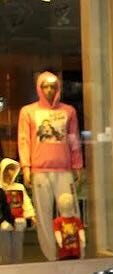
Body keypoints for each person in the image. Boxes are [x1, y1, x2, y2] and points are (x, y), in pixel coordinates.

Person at [17, 70, 83, 261]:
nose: (49, 90)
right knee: (43, 215)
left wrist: (77, 164)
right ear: (39, 88)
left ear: (58, 88)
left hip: (64, 170)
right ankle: (50, 255)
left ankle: (73, 250)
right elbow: (24, 141)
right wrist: (26, 167)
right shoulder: (28, 112)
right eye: (45, 86)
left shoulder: (68, 111)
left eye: (53, 86)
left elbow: (74, 139)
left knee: (70, 211)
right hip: (39, 170)